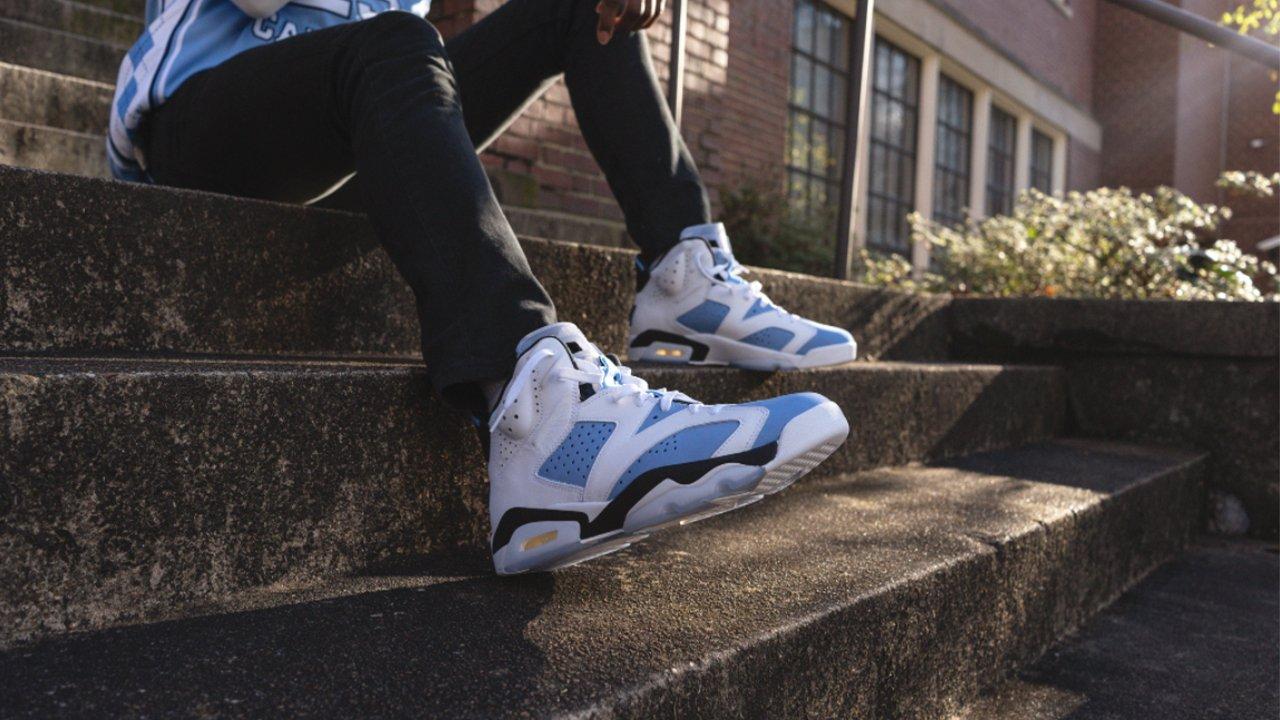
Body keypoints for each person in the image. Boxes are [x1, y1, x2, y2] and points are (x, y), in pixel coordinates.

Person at [108, 0, 858, 574]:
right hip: (201, 131)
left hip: (363, 128)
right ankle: (539, 418)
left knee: (582, 8)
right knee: (395, 40)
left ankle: (684, 278)